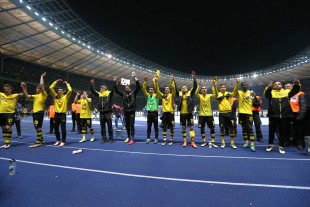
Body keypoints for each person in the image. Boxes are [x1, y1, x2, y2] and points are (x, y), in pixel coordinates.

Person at [264, 79, 300, 154]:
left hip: (284, 115)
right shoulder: (271, 92)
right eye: (275, 84)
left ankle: (281, 146)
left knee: (283, 132)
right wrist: (268, 87)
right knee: (271, 131)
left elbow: (295, 90)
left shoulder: (286, 92)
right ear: (273, 86)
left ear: (281, 85)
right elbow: (266, 94)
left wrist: (296, 84)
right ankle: (270, 145)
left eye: (279, 84)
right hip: (273, 115)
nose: (277, 85)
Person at [21, 73, 48, 148]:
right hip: (36, 112)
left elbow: (42, 85)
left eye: (37, 88)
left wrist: (41, 76)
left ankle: (38, 141)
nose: (36, 89)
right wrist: (24, 88)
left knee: (38, 126)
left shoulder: (43, 94)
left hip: (39, 112)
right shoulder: (35, 96)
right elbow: (27, 95)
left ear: (39, 89)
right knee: (36, 126)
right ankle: (41, 139)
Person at [114, 73, 141, 145]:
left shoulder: (133, 93)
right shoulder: (123, 94)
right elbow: (116, 90)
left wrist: (135, 78)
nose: (127, 89)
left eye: (128, 88)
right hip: (125, 112)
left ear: (130, 89)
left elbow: (138, 87)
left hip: (132, 111)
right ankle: (128, 137)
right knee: (127, 125)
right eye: (125, 88)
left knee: (131, 125)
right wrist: (115, 82)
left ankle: (132, 138)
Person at [175, 70, 198, 148]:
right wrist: (173, 81)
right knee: (183, 128)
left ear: (187, 88)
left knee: (191, 127)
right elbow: (174, 89)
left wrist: (194, 78)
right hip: (182, 114)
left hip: (189, 113)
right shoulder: (180, 94)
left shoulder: (190, 93)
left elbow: (195, 86)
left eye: (184, 87)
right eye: (182, 88)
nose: (183, 88)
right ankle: (185, 141)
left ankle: (192, 142)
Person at [154, 69, 176, 145]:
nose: (166, 89)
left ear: (169, 90)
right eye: (165, 89)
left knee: (171, 128)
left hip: (170, 114)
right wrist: (156, 79)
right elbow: (157, 89)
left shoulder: (171, 95)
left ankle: (171, 140)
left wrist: (172, 81)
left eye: (168, 89)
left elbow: (174, 89)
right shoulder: (162, 96)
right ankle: (164, 140)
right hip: (164, 114)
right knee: (164, 128)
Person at [233, 79, 256, 152]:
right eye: (242, 85)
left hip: (248, 113)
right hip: (241, 113)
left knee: (250, 128)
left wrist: (254, 97)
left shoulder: (251, 92)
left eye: (245, 85)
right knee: (244, 128)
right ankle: (246, 142)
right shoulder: (239, 92)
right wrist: (237, 82)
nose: (244, 86)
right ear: (241, 86)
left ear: (247, 86)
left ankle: (252, 143)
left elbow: (255, 102)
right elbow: (234, 92)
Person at [195, 78, 218, 148]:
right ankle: (204, 141)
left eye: (205, 88)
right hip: (201, 115)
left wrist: (214, 86)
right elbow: (195, 93)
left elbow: (216, 95)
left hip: (209, 115)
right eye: (203, 88)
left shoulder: (209, 96)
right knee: (202, 129)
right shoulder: (200, 96)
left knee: (212, 128)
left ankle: (213, 142)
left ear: (207, 90)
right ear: (201, 90)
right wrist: (199, 86)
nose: (204, 89)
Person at [90, 79, 114, 143]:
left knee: (109, 127)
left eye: (102, 88)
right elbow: (93, 91)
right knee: (102, 127)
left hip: (108, 112)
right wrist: (92, 85)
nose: (100, 88)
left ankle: (111, 138)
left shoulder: (109, 94)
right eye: (100, 88)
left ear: (106, 89)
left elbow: (114, 89)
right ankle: (103, 138)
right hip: (101, 113)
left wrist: (115, 83)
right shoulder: (99, 94)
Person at [49, 79, 72, 147]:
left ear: (63, 91)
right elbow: (50, 87)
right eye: (58, 90)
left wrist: (67, 83)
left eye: (61, 90)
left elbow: (70, 90)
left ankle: (63, 141)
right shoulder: (55, 96)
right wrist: (56, 81)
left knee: (63, 128)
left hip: (62, 115)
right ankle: (58, 140)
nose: (59, 91)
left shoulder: (65, 97)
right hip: (56, 114)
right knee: (55, 128)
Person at [0, 83, 23, 149]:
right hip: (1, 113)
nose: (6, 90)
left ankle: (8, 143)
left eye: (7, 89)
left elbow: (24, 94)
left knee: (8, 127)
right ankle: (6, 143)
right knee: (3, 128)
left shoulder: (15, 95)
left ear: (11, 89)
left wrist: (24, 88)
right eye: (4, 89)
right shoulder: (1, 94)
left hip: (10, 113)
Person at [215, 81, 237, 149]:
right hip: (222, 113)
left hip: (229, 113)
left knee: (232, 128)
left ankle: (232, 143)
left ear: (226, 88)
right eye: (222, 87)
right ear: (220, 88)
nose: (223, 88)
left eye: (224, 87)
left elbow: (235, 92)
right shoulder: (218, 94)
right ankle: (223, 142)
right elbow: (215, 92)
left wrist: (237, 83)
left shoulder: (229, 93)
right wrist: (214, 85)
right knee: (222, 129)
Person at [142, 76, 159, 144]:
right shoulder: (148, 95)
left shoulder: (156, 95)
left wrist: (154, 82)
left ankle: (156, 138)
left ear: (154, 90)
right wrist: (145, 82)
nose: (150, 90)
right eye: (149, 89)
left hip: (155, 113)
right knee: (149, 126)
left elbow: (157, 89)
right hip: (149, 113)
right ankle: (148, 138)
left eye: (152, 89)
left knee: (155, 127)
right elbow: (143, 89)